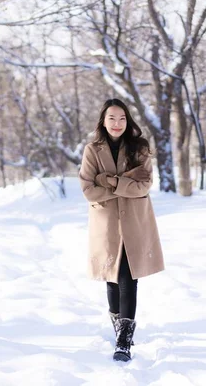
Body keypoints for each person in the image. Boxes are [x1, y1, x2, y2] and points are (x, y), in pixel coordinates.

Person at [78, 98, 165, 362]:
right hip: (106, 223)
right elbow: (88, 188)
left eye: (122, 118)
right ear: (103, 121)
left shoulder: (139, 149)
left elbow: (144, 185)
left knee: (129, 276)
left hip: (135, 222)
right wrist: (123, 184)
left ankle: (124, 339)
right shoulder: (92, 150)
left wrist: (110, 181)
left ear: (128, 120)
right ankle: (118, 324)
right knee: (112, 277)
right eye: (112, 118)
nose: (117, 123)